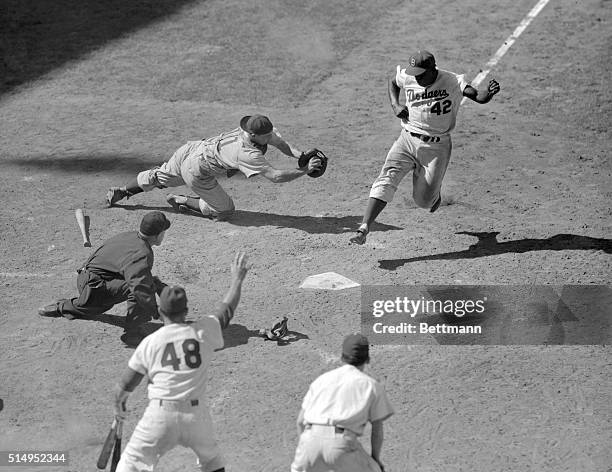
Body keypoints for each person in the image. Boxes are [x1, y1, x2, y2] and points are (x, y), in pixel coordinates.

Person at [112, 252, 250, 472]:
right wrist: (237, 280)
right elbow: (226, 311)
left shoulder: (150, 342)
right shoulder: (203, 331)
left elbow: (124, 386)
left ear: (160, 312)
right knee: (213, 463)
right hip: (196, 418)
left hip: (160, 417)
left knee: (129, 465)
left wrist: (120, 407)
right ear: (186, 312)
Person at [349, 50, 501, 245]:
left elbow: (478, 96)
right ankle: (364, 228)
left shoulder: (452, 81)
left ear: (432, 69)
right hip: (407, 140)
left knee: (423, 202)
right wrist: (395, 105)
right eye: (414, 73)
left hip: (436, 148)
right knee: (386, 179)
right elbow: (393, 82)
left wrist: (488, 93)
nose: (416, 77)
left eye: (420, 74)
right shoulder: (410, 76)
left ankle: (433, 195)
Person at [106, 114, 323, 219]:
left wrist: (300, 155)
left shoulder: (255, 130)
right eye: (267, 135)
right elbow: (275, 176)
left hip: (191, 149)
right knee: (226, 211)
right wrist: (304, 171)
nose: (271, 135)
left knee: (160, 176)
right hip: (197, 171)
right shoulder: (246, 153)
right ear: (255, 135)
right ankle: (184, 201)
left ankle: (123, 191)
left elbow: (280, 143)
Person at [38, 211, 171, 347]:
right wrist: (156, 312)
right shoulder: (143, 253)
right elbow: (139, 287)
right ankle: (133, 334)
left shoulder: (129, 236)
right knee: (139, 290)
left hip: (87, 277)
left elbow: (135, 274)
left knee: (144, 282)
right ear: (157, 235)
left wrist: (158, 286)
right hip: (94, 288)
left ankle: (67, 305)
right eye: (163, 232)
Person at [291, 334, 394, 472]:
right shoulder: (371, 385)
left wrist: (308, 448)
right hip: (340, 445)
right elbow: (377, 431)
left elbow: (300, 421)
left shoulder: (321, 380)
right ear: (367, 359)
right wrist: (375, 461)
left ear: (342, 356)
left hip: (308, 443)